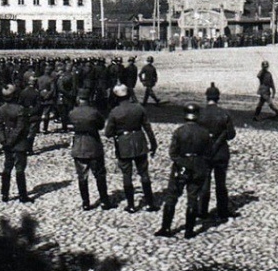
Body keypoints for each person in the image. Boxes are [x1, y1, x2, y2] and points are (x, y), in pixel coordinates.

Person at [155, 103, 212, 239]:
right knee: (192, 199)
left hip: (181, 167)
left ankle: (166, 227)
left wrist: (183, 164)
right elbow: (208, 154)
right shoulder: (204, 133)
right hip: (198, 167)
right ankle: (189, 231)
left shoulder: (179, 131)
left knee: (172, 197)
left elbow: (173, 153)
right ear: (197, 116)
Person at [105, 84, 159, 213]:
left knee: (127, 174)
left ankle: (131, 205)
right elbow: (148, 128)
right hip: (140, 141)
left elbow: (108, 133)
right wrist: (153, 144)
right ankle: (150, 203)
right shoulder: (139, 108)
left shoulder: (115, 112)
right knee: (144, 173)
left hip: (124, 144)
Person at [197, 83, 237, 221]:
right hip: (221, 152)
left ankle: (202, 210)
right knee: (221, 183)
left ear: (206, 97)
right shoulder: (224, 114)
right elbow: (231, 135)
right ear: (218, 98)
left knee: (204, 183)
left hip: (204, 153)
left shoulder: (200, 114)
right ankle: (222, 210)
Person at [68, 88, 113, 211]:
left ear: (78, 98)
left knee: (82, 176)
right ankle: (104, 201)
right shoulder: (94, 112)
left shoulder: (73, 113)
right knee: (99, 174)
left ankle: (86, 203)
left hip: (78, 144)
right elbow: (100, 125)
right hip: (93, 144)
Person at [0, 84, 34, 203]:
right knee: (20, 169)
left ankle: (5, 194)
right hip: (18, 143)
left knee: (7, 168)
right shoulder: (20, 109)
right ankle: (22, 195)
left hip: (6, 142)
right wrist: (12, 141)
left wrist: (3, 140)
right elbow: (20, 127)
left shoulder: (1, 109)